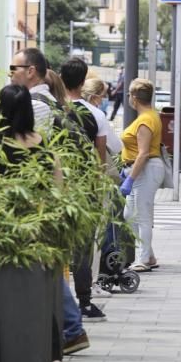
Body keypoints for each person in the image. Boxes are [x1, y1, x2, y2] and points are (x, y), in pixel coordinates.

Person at [0, 84, 84, 362]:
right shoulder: (43, 144)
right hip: (39, 237)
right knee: (41, 302)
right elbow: (59, 192)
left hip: (0, 239)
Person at [60, 57, 108, 321]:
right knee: (82, 246)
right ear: (83, 81)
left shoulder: (54, 110)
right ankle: (85, 302)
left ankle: (56, 300)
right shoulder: (96, 114)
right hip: (85, 188)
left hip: (57, 187)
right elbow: (100, 159)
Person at [120, 78, 165, 272]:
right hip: (141, 170)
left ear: (135, 98)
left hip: (144, 170)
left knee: (142, 215)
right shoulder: (148, 116)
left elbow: (143, 153)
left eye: (130, 94)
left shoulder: (145, 120)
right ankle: (149, 254)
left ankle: (144, 258)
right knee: (130, 214)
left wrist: (130, 179)